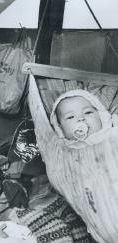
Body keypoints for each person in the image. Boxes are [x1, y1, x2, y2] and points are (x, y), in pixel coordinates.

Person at [49, 89, 118, 242]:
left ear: (101, 115)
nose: (81, 119)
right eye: (70, 117)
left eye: (88, 113)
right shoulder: (65, 154)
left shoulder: (113, 134)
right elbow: (60, 178)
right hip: (102, 222)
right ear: (60, 128)